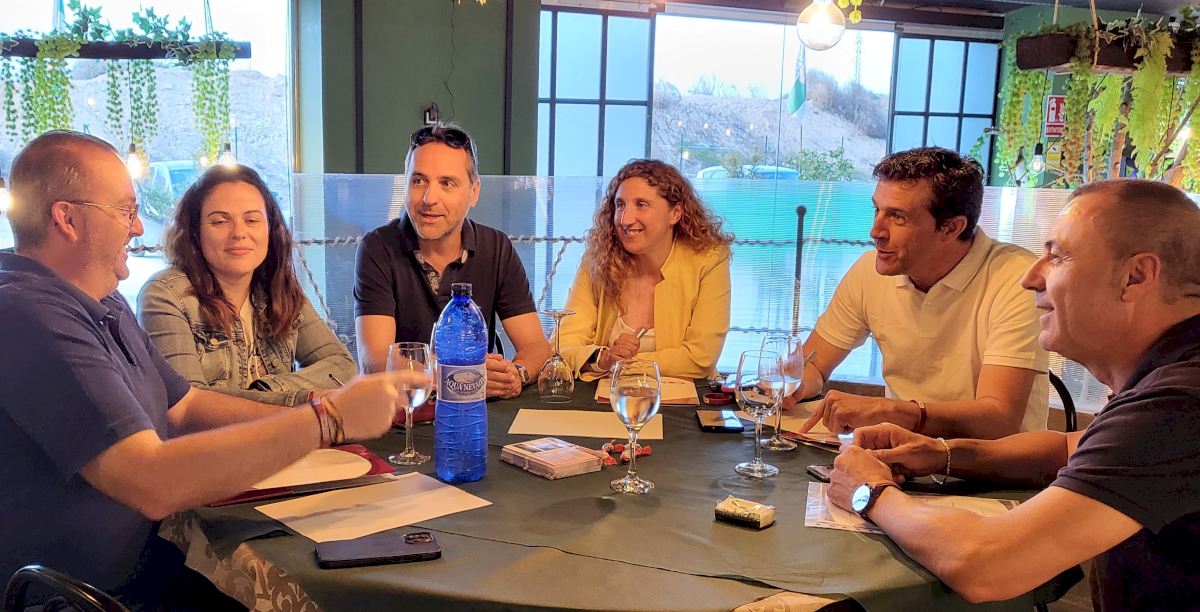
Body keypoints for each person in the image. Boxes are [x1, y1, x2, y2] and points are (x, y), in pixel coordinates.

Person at [0, 130, 424, 609]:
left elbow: (185, 404)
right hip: (90, 598)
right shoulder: (27, 315)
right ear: (67, 219)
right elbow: (153, 482)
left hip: (159, 564)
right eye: (125, 210)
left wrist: (328, 421)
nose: (136, 227)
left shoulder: (103, 300)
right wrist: (325, 419)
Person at [829, 179, 1200, 609]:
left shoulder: (1178, 403)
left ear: (1136, 276)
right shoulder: (1174, 374)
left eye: (1057, 257)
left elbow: (986, 565)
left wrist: (870, 491)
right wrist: (940, 453)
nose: (1031, 277)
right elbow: (1069, 446)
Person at [789, 147, 1048, 439]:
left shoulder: (1016, 278)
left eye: (897, 217)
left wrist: (891, 411)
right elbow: (814, 365)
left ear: (951, 228)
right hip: (898, 454)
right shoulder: (870, 271)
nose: (876, 231)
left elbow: (999, 419)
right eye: (877, 210)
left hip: (991, 463)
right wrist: (792, 385)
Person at [354, 123, 551, 398]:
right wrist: (461, 374)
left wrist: (516, 374)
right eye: (418, 181)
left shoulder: (496, 247)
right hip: (406, 410)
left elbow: (537, 346)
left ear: (474, 192)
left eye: (446, 183)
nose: (428, 198)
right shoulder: (377, 248)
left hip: (476, 408)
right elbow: (375, 361)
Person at [139, 164, 355, 405]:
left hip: (283, 430)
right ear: (195, 232)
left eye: (252, 220)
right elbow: (188, 406)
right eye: (219, 222)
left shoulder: (277, 287)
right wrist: (300, 399)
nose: (239, 233)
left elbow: (342, 366)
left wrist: (268, 388)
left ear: (271, 229)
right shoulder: (165, 296)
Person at [557, 159, 733, 380]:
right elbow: (563, 344)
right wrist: (603, 359)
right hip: (609, 397)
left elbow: (700, 359)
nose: (625, 219)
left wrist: (624, 364)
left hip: (686, 399)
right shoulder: (598, 260)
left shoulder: (710, 260)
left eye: (641, 204)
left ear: (676, 212)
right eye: (620, 205)